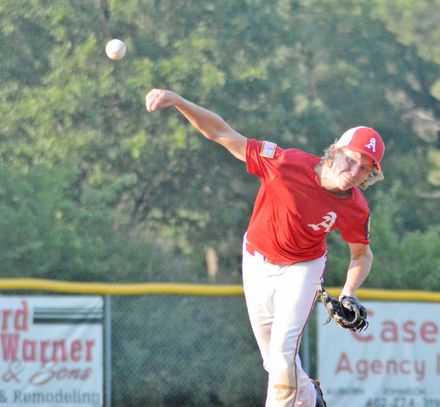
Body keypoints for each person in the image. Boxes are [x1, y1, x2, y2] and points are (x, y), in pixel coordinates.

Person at [145, 88, 385, 407]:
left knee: (284, 353)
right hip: (257, 259)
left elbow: (361, 255)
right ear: (336, 151)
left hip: (303, 267)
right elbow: (221, 133)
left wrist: (349, 292)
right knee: (275, 364)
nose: (355, 172)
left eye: (366, 168)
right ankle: (311, 398)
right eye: (353, 160)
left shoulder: (356, 208)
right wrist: (177, 101)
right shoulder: (284, 164)